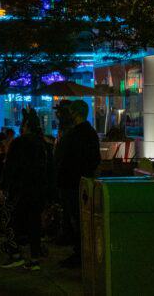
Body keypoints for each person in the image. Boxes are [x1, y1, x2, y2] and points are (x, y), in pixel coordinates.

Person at [0, 109, 51, 271]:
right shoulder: (44, 144)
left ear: (26, 125)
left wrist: (4, 187)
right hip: (39, 190)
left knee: (12, 222)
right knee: (34, 224)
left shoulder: (19, 143)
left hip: (21, 190)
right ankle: (34, 258)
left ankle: (16, 254)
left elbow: (10, 168)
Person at [54, 100, 100, 268]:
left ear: (75, 114)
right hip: (79, 182)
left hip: (72, 183)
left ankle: (79, 253)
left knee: (76, 219)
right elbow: (95, 159)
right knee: (78, 219)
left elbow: (63, 158)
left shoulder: (75, 135)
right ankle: (79, 252)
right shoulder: (89, 133)